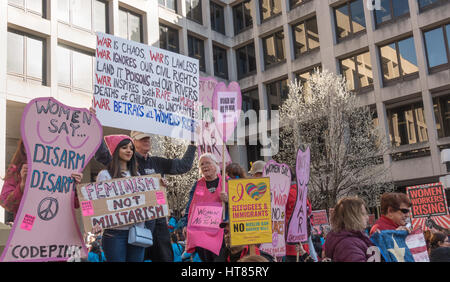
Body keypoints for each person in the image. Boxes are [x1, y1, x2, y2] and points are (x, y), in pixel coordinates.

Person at [94, 130, 197, 262]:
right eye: (142, 139)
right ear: (134, 141)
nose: (146, 141)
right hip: (118, 231)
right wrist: (93, 125)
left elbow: (183, 166)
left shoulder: (147, 167)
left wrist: (159, 188)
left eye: (148, 138)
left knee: (164, 258)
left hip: (147, 227)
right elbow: (102, 154)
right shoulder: (110, 171)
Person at [1, 139, 83, 219]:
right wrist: (22, 186)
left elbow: (75, 204)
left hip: (55, 227)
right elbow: (6, 204)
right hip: (27, 226)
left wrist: (74, 188)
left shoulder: (61, 171)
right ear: (24, 149)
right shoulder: (16, 171)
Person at [96, 134, 147, 262]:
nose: (129, 150)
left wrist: (159, 186)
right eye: (124, 147)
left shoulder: (138, 175)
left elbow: (147, 201)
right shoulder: (105, 175)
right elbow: (98, 203)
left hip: (138, 232)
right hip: (114, 234)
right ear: (115, 150)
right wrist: (96, 221)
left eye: (131, 148)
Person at [180, 153, 228, 262]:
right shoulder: (197, 185)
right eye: (202, 164)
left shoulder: (226, 183)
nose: (205, 166)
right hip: (201, 234)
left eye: (207, 163)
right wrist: (185, 224)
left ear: (216, 165)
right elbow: (190, 206)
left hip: (220, 233)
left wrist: (228, 199)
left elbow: (237, 203)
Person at [324, 197, 377, 262]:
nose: (367, 217)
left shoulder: (350, 238)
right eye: (363, 214)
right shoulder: (348, 245)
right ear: (352, 217)